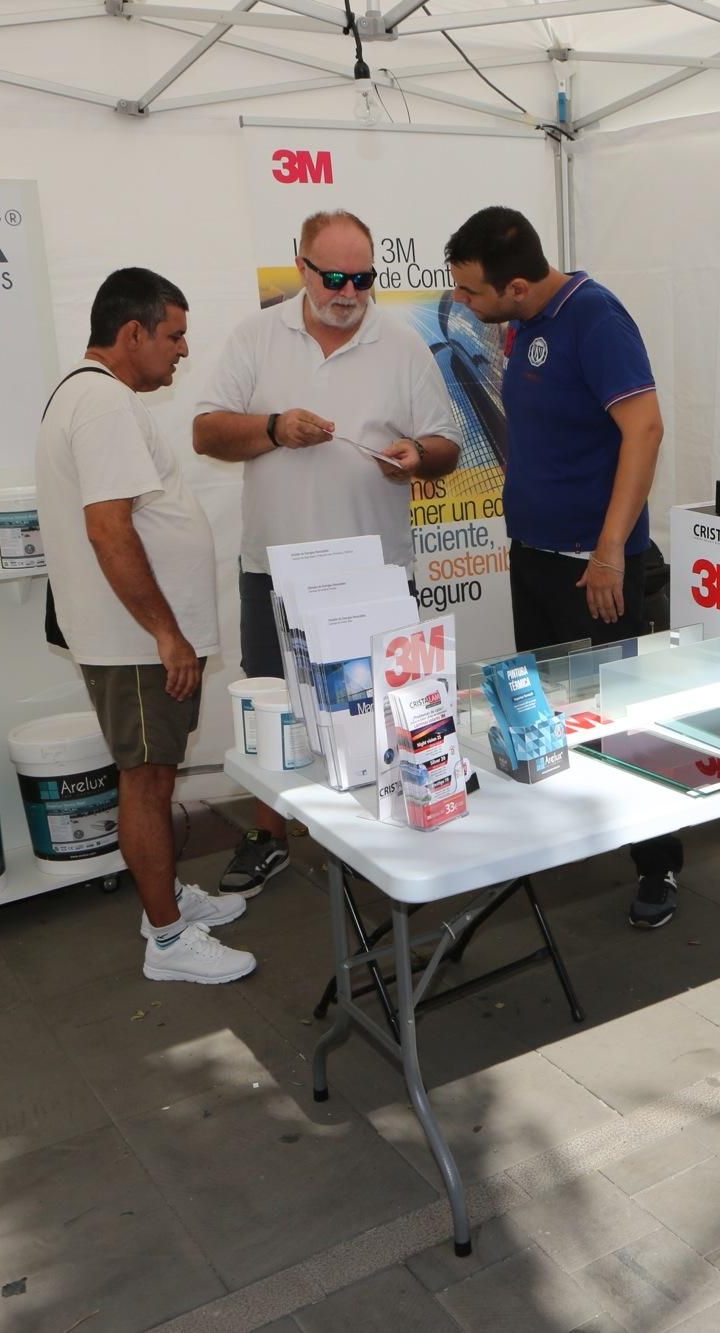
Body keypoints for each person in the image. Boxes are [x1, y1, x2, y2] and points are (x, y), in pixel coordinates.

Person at [194, 211, 462, 895]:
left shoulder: (399, 343)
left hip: (373, 572)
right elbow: (208, 432)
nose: (348, 292)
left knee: (383, 703)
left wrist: (416, 458)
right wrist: (275, 428)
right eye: (334, 276)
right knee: (274, 704)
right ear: (302, 266)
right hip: (275, 569)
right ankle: (269, 832)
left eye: (363, 279)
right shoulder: (258, 336)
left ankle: (384, 826)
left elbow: (446, 445)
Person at [443, 206, 682, 928]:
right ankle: (565, 831)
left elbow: (645, 428)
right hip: (537, 556)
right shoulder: (525, 325)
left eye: (474, 294)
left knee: (624, 715)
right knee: (542, 707)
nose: (464, 305)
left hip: (594, 565)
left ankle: (658, 859)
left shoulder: (596, 318)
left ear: (517, 286)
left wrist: (611, 550)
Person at [39, 268, 255, 985]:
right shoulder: (100, 404)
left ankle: (163, 906)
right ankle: (167, 940)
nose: (183, 350)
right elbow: (109, 531)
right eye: (174, 335)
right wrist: (166, 632)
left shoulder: (102, 399)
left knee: (155, 776)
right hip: (136, 644)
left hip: (140, 639)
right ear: (132, 333)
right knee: (148, 781)